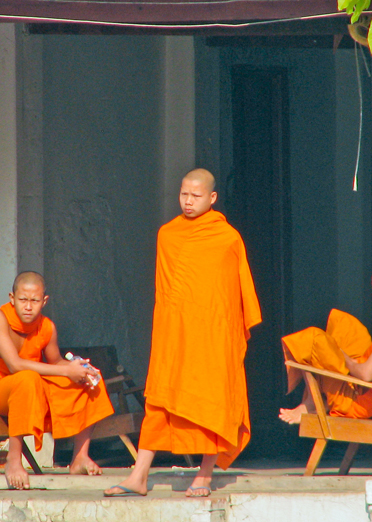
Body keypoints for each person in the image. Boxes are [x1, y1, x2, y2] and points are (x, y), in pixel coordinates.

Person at [104, 168, 261, 498]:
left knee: (212, 401)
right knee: (161, 401)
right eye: (183, 195)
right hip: (175, 336)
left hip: (212, 338)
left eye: (196, 196)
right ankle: (139, 475)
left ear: (212, 198)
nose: (188, 202)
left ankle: (204, 475)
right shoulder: (168, 235)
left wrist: (225, 335)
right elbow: (167, 292)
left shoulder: (226, 238)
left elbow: (231, 295)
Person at [0, 271, 115, 489]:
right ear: (11, 298)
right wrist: (66, 372)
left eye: (34, 301)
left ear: (44, 301)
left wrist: (80, 369)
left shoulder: (46, 327)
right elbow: (15, 365)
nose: (28, 307)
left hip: (30, 388)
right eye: (23, 300)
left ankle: (80, 456)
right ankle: (14, 460)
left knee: (89, 379)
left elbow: (55, 363)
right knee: (26, 378)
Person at [278, 259, 372, 424]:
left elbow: (367, 374)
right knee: (344, 325)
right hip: (360, 389)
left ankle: (311, 403)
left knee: (314, 339)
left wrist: (346, 360)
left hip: (357, 401)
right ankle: (315, 401)